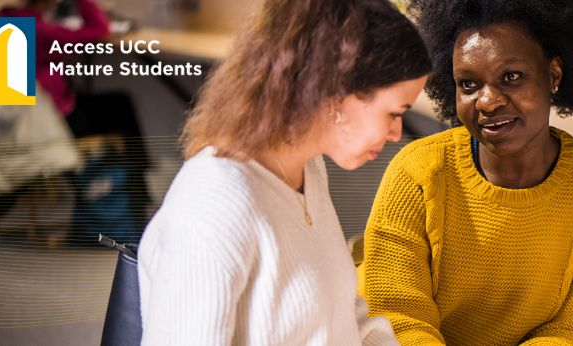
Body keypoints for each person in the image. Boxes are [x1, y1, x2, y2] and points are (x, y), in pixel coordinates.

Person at [137, 0, 431, 344]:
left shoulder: (308, 170)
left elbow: (343, 318)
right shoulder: (212, 207)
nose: (397, 133)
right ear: (337, 94)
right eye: (394, 113)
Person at [358, 0, 573, 344]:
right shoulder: (416, 174)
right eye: (468, 85)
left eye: (511, 77)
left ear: (553, 75)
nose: (487, 101)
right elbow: (397, 318)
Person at [0, 0, 150, 240]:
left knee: (117, 103)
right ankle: (135, 197)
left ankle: (135, 195)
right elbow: (98, 30)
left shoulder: (8, 21)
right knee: (119, 109)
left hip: (24, 120)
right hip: (48, 125)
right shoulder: (40, 31)